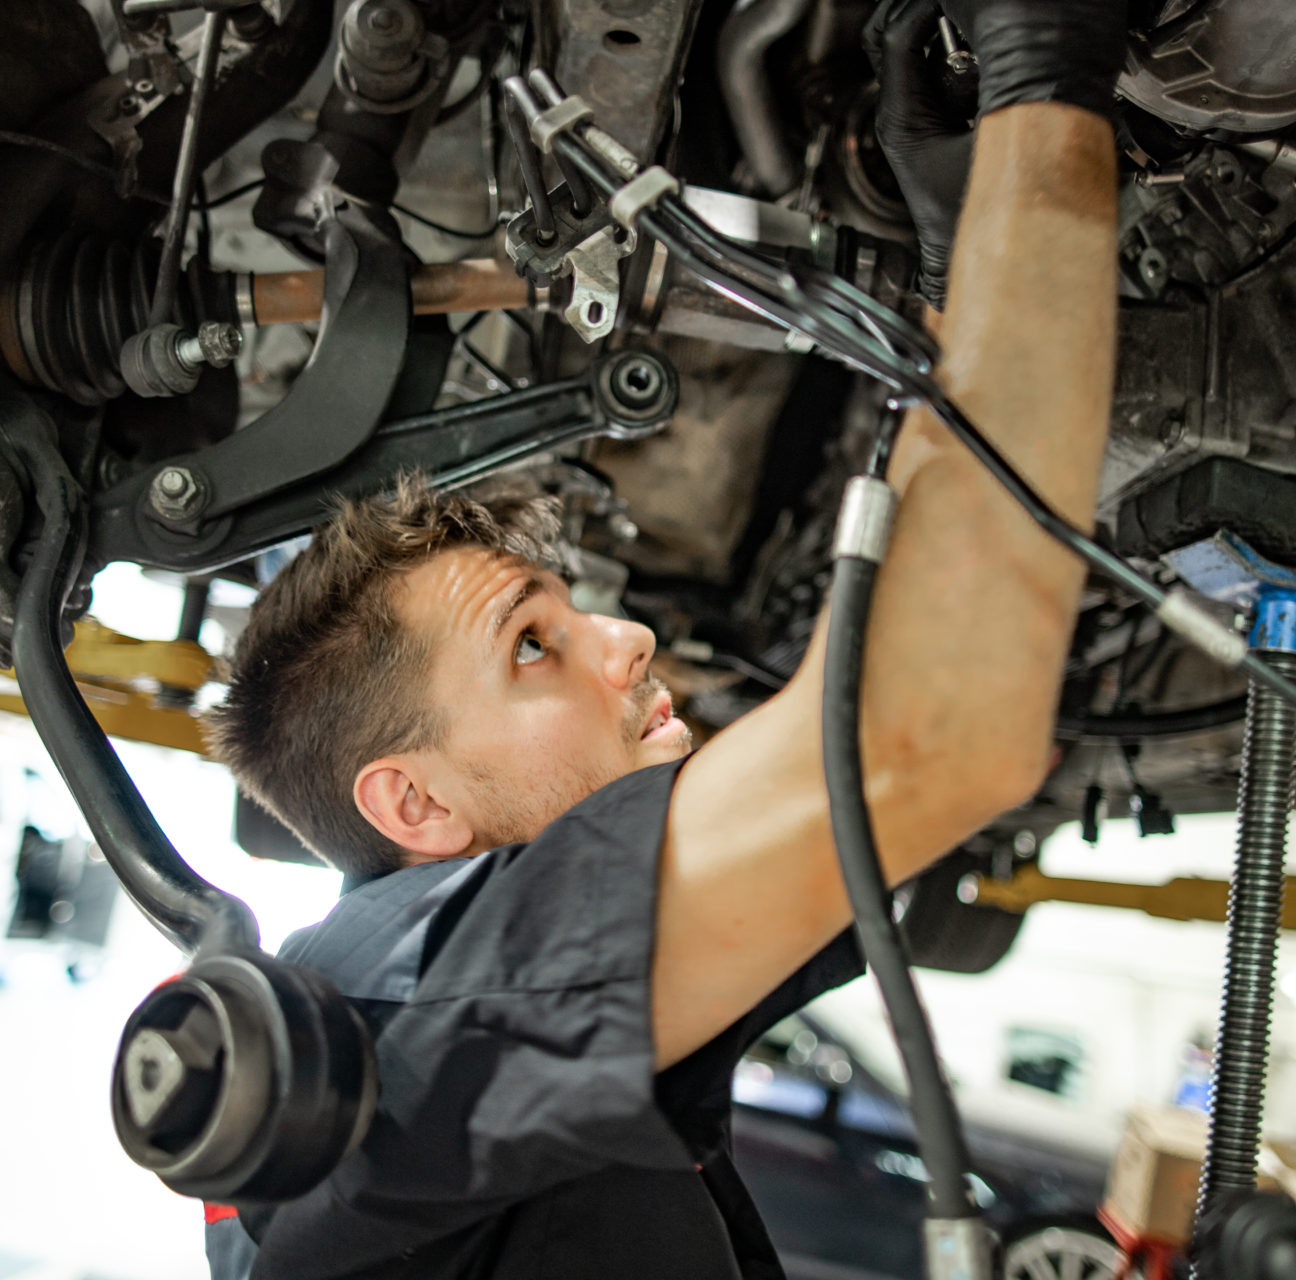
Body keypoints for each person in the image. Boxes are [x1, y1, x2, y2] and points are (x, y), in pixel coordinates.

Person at [201, 0, 1124, 1273]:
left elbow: (896, 770)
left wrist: (967, 255)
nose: (626, 638)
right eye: (534, 645)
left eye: (567, 617)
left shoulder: (418, 1018)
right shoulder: (410, 1013)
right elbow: (925, 734)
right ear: (410, 801)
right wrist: (1042, 82)